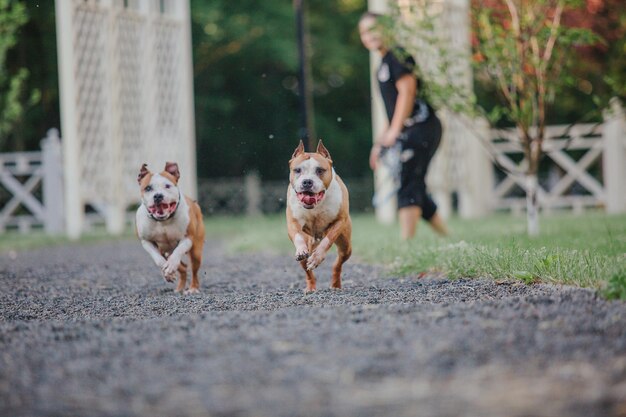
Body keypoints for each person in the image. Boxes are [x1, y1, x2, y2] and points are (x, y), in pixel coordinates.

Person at [359, 11, 448, 240]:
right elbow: (392, 112)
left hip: (422, 127)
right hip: (408, 130)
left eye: (374, 29)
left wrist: (395, 132)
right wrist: (380, 143)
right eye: (364, 32)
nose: (369, 36)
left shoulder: (398, 55)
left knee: (409, 181)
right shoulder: (382, 65)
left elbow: (407, 92)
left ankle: (406, 244)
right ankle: (448, 239)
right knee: (413, 182)